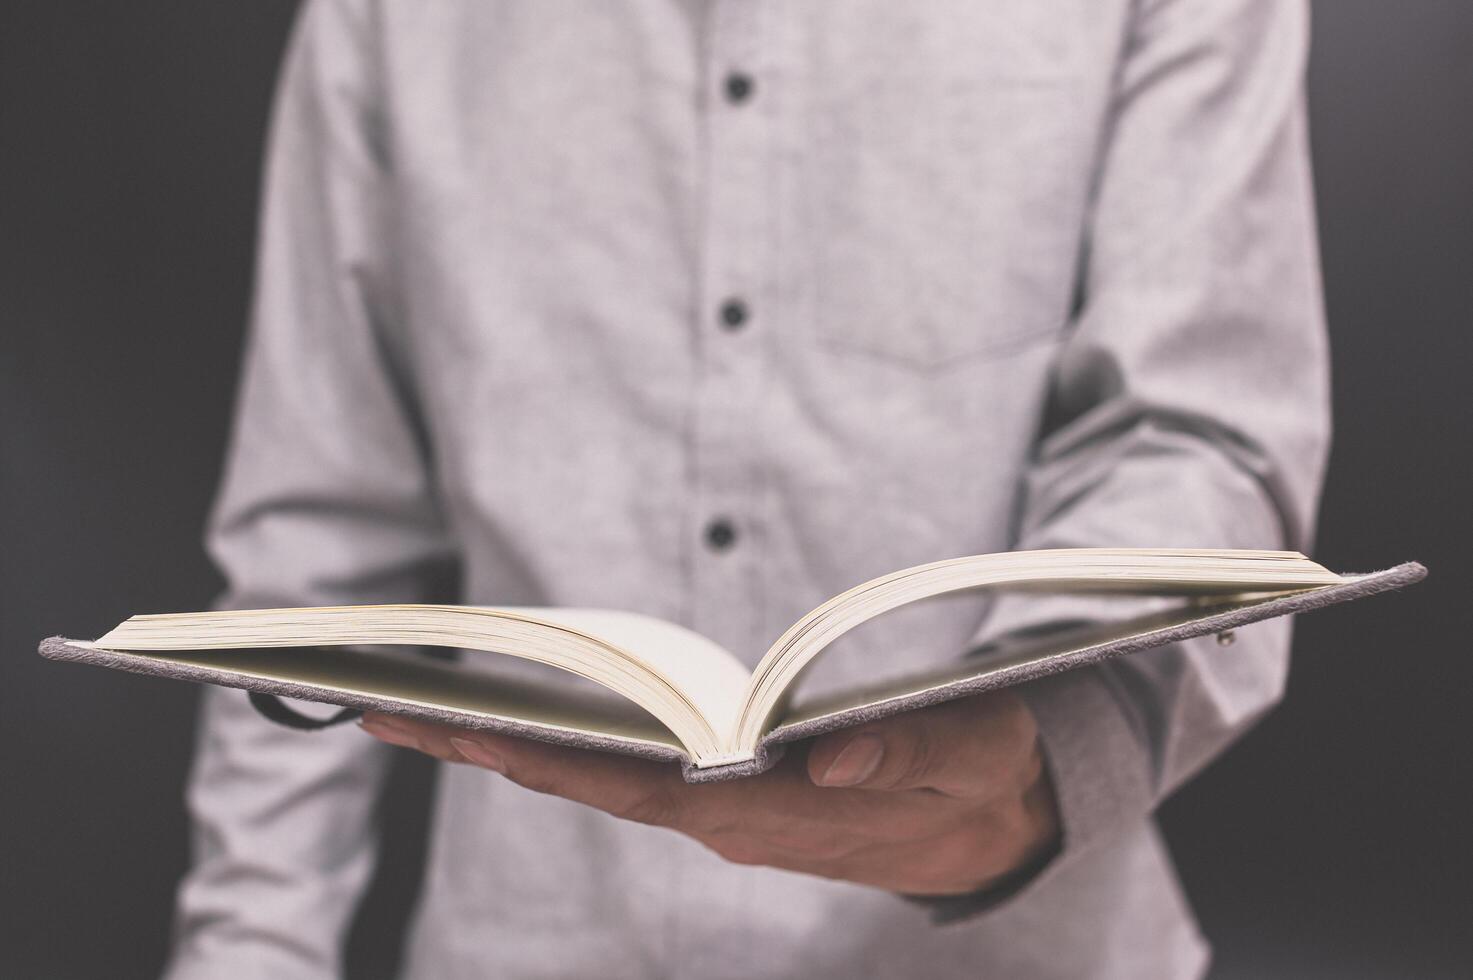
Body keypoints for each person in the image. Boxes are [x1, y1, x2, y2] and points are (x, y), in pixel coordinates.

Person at [164, 1, 1329, 977]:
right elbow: (312, 543)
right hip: (525, 936)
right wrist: (250, 950)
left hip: (1027, 933)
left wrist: (1037, 760)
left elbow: (1199, 432)